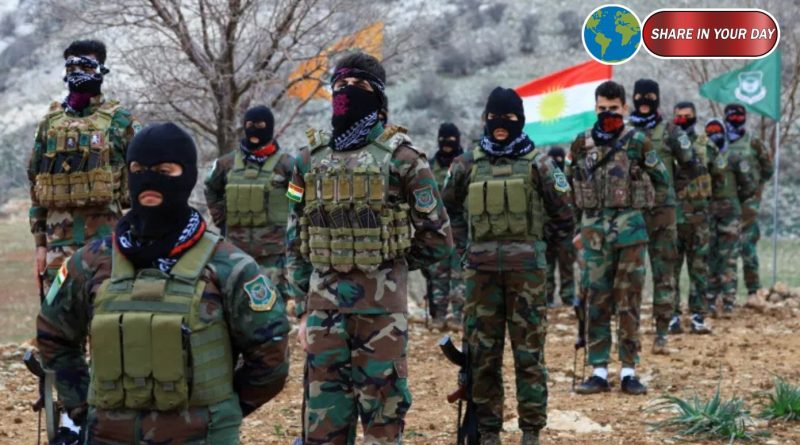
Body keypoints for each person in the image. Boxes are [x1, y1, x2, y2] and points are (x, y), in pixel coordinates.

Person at [36, 122, 290, 443]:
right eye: (138, 170)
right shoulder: (90, 261)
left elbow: (271, 355)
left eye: (163, 171)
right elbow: (53, 334)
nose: (148, 180)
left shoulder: (230, 266)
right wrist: (81, 405)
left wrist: (224, 412)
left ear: (187, 176)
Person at [285, 52, 453, 445]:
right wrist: (303, 307)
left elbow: (438, 237)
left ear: (377, 95)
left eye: (358, 86)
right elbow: (295, 235)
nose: (346, 92)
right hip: (323, 314)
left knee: (382, 425)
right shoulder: (307, 161)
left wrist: (390, 261)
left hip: (381, 318)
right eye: (340, 86)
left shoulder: (404, 160)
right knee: (322, 431)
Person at [442, 87, 575, 445]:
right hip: (481, 275)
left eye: (509, 118)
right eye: (494, 118)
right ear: (485, 119)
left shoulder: (539, 164)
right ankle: (488, 432)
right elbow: (447, 210)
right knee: (483, 357)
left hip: (527, 276)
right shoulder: (466, 164)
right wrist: (464, 248)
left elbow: (564, 215)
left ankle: (531, 431)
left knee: (529, 356)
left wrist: (539, 250)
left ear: (521, 120)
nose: (501, 124)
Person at [571, 80, 670, 396]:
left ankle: (629, 371)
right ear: (595, 108)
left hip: (630, 235)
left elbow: (663, 181)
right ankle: (598, 371)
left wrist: (643, 208)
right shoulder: (581, 143)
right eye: (602, 108)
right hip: (594, 236)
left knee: (628, 302)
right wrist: (577, 229)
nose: (607, 113)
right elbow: (571, 185)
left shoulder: (638, 142)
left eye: (613, 108)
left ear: (625, 108)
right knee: (596, 301)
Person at [28, 39, 139, 291]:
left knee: (105, 312)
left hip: (107, 244)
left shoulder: (120, 121)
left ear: (101, 70)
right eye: (72, 68)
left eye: (87, 68)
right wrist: (40, 245)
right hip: (58, 248)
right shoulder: (49, 124)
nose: (78, 74)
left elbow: (144, 181)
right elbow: (35, 183)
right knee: (58, 313)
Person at [204, 105, 296, 299]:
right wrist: (220, 218)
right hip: (235, 251)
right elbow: (211, 188)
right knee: (233, 301)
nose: (254, 130)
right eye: (249, 125)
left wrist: (293, 225)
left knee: (275, 303)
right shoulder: (226, 164)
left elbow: (300, 198)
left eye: (260, 125)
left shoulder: (287, 165)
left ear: (269, 127)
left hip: (273, 254)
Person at [628, 79, 690, 354]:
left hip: (663, 212)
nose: (644, 101)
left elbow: (690, 163)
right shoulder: (625, 133)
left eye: (650, 97)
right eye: (640, 96)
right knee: (631, 276)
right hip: (632, 213)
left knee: (664, 272)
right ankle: (631, 333)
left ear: (657, 98)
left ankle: (662, 332)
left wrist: (672, 192)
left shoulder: (671, 132)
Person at [705, 118, 758, 317]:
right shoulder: (704, 157)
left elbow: (749, 185)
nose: (714, 136)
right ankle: (710, 300)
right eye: (710, 132)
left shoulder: (735, 158)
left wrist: (734, 199)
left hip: (730, 216)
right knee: (710, 257)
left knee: (728, 258)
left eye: (717, 131)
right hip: (709, 214)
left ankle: (728, 302)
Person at [669, 101, 713, 334]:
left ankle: (698, 316)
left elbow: (718, 176)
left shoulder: (705, 144)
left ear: (694, 117)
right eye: (679, 116)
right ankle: (672, 316)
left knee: (699, 270)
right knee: (671, 271)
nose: (683, 119)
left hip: (699, 219)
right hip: (672, 219)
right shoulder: (666, 144)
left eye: (687, 115)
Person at [723, 104, 774, 302]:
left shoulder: (754, 142)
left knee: (747, 247)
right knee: (724, 249)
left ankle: (753, 291)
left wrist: (755, 189)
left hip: (748, 204)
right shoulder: (719, 141)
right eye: (732, 116)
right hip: (724, 203)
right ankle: (725, 294)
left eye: (739, 116)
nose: (736, 120)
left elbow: (767, 170)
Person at [422, 122, 466, 327]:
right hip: (436, 230)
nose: (447, 143)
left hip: (460, 229)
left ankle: (458, 316)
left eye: (451, 139)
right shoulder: (429, 167)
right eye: (443, 139)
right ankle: (438, 316)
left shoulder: (465, 165)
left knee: (459, 274)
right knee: (437, 274)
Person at [544, 146, 576, 308]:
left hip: (566, 228)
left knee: (566, 266)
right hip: (547, 229)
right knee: (547, 267)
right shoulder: (544, 177)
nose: (557, 162)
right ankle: (547, 297)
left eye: (559, 159)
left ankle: (568, 297)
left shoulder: (568, 177)